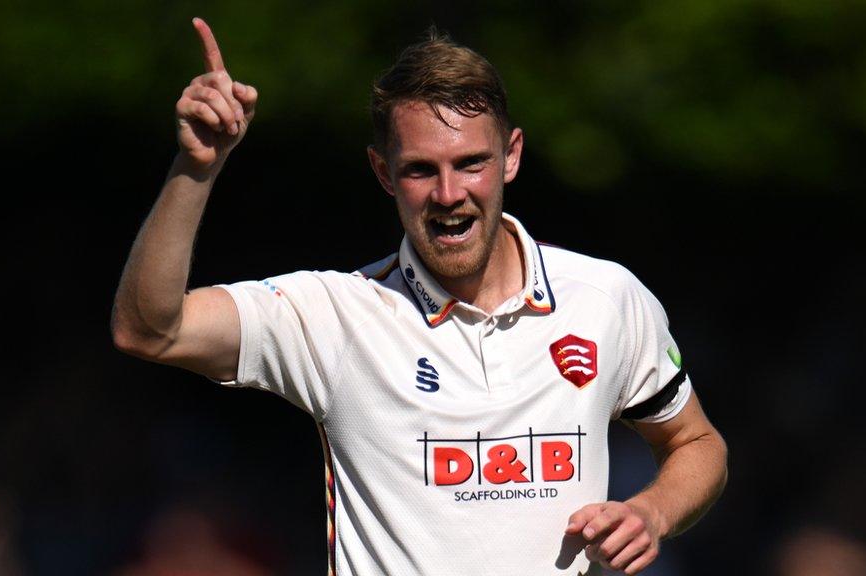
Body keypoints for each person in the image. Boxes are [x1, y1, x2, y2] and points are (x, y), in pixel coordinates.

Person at [112, 18, 727, 575]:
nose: (449, 192)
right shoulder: (336, 314)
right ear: (383, 173)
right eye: (420, 170)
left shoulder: (605, 298)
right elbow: (149, 330)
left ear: (510, 156)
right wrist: (197, 167)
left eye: (471, 163)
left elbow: (696, 445)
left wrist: (652, 513)